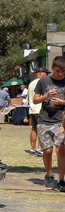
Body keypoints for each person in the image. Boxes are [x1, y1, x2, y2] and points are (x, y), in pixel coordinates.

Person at [32, 56, 65, 191]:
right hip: (44, 120)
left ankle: (61, 179)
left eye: (63, 71)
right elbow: (35, 100)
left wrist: (62, 103)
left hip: (60, 121)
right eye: (58, 71)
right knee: (47, 150)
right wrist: (46, 96)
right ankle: (49, 174)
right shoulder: (43, 81)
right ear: (52, 68)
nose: (60, 74)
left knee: (61, 149)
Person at [27, 67, 50, 157]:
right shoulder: (42, 82)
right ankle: (40, 149)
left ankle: (33, 148)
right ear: (40, 73)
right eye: (46, 73)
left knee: (34, 129)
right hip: (40, 109)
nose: (47, 75)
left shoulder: (31, 83)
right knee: (42, 130)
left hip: (32, 109)